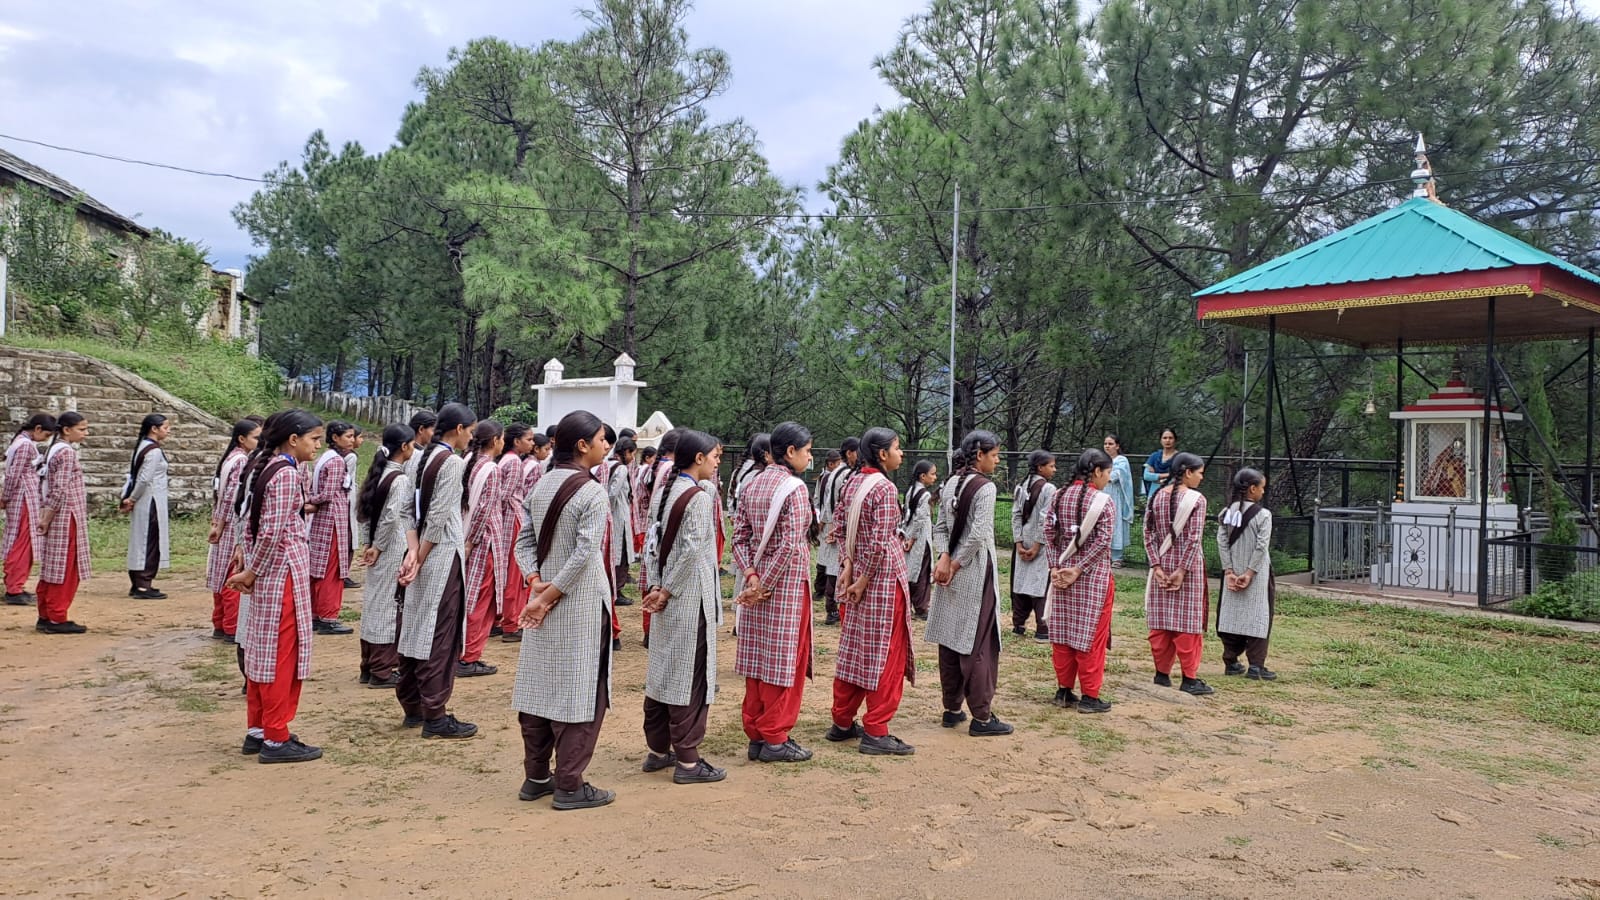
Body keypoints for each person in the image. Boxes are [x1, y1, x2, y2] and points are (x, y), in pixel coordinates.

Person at [512, 410, 616, 810]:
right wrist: (548, 594)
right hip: (581, 602)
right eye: (602, 439)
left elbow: (523, 541)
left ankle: (536, 775)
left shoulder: (540, 484)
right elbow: (584, 553)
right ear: (583, 445)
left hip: (546, 598)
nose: (607, 446)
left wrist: (536, 583)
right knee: (581, 689)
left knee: (539, 687)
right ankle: (570, 784)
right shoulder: (591, 491)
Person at [227, 409, 325, 764]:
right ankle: (276, 736)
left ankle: (259, 729)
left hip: (269, 571)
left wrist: (250, 563)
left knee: (263, 652)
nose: (318, 446)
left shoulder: (262, 464)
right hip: (280, 572)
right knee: (281, 654)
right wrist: (252, 570)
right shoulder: (284, 474)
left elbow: (247, 519)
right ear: (293, 439)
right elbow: (272, 531)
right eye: (314, 439)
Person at [640, 429, 727, 784]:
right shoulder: (700, 497)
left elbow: (650, 543)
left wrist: (657, 584)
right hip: (689, 596)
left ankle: (659, 749)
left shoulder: (664, 490)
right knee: (692, 675)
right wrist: (669, 590)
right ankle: (688, 760)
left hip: (665, 591)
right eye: (715, 455)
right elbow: (691, 551)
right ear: (699, 458)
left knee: (663, 667)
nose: (718, 461)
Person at [731, 421, 817, 764]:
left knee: (758, 659)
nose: (810, 458)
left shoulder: (752, 486)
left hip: (755, 585)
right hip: (785, 587)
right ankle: (776, 736)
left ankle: (756, 733)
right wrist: (765, 584)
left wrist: (751, 576)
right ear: (791, 452)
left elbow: (739, 538)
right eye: (808, 451)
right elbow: (789, 546)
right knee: (785, 660)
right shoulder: (795, 490)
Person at [829, 427, 916, 756]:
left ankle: (842, 721)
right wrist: (863, 578)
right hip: (880, 581)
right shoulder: (884, 488)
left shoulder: (851, 481)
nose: (901, 453)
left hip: (855, 575)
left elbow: (841, 527)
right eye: (897, 448)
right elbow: (880, 542)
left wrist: (849, 566)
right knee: (887, 653)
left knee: (855, 647)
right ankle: (877, 730)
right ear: (882, 454)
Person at [395, 402, 479, 739]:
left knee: (415, 626)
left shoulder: (419, 457)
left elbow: (407, 511)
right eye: (470, 431)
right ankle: (435, 714)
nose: (470, 438)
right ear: (458, 429)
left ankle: (413, 704)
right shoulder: (453, 462)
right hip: (441, 557)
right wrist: (422, 555)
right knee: (441, 633)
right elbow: (441, 517)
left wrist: (413, 552)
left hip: (420, 554)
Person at [926, 429, 1012, 737]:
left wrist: (944, 558)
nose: (998, 460)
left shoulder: (950, 483)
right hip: (974, 571)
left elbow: (939, 527)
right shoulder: (986, 488)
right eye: (994, 455)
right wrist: (958, 562)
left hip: (949, 569)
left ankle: (952, 709)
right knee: (979, 642)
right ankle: (982, 717)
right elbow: (978, 534)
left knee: (950, 637)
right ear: (979, 455)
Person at [1044, 448, 1117, 714]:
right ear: (1097, 471)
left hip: (1061, 576)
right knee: (1091, 636)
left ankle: (1063, 690)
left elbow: (1048, 533)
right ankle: (1090, 696)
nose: (1108, 478)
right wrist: (1080, 568)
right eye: (1107, 472)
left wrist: (1055, 566)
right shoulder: (1104, 501)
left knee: (1062, 632)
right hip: (1092, 579)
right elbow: (1103, 541)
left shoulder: (1058, 495)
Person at [1144, 451, 1214, 696]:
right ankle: (1189, 678)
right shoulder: (1197, 500)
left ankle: (1161, 674)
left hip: (1162, 568)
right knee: (1188, 624)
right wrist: (1183, 570)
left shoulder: (1156, 497)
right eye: (1199, 473)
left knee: (1161, 624)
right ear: (1187, 472)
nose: (1201, 478)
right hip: (1188, 570)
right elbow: (1194, 540)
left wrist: (1157, 566)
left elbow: (1148, 535)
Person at [357, 424, 420, 689]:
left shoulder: (379, 472)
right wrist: (379, 546)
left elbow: (364, 511)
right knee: (388, 605)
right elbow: (391, 517)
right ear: (404, 446)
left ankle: (368, 665)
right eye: (413, 444)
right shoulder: (401, 479)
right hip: (391, 547)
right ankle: (382, 669)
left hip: (377, 546)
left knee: (374, 602)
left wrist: (367, 544)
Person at [34, 412, 91, 634]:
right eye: (82, 429)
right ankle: (57, 616)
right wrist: (47, 518)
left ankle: (46, 614)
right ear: (67, 430)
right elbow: (59, 488)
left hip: (57, 514)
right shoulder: (66, 453)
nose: (85, 433)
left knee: (53, 565)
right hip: (66, 516)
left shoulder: (53, 449)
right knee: (65, 567)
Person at [1217, 468, 1276, 680]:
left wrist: (1230, 570)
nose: (1262, 492)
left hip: (1231, 574)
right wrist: (1250, 573)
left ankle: (1231, 661)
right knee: (1259, 615)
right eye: (1262, 487)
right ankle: (1256, 666)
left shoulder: (1226, 513)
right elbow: (1261, 546)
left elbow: (1222, 542)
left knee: (1231, 615)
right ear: (1252, 489)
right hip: (1256, 575)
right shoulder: (1263, 515)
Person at [459, 421, 507, 677]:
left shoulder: (468, 460)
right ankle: (468, 656)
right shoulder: (491, 469)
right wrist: (471, 540)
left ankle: (463, 652)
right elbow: (484, 509)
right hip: (484, 542)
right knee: (480, 599)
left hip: (470, 538)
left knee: (471, 596)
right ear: (495, 440)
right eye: (501, 439)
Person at [207, 419, 262, 641]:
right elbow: (231, 497)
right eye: (256, 437)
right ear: (242, 438)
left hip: (224, 522)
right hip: (233, 525)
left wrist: (217, 522)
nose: (260, 442)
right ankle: (231, 627)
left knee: (221, 575)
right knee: (233, 575)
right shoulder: (242, 460)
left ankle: (220, 624)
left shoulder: (230, 457)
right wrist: (221, 524)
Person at [305, 421, 356, 635]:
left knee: (320, 566)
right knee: (332, 570)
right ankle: (328, 616)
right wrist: (311, 501)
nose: (352, 440)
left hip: (322, 519)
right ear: (335, 438)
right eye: (348, 436)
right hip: (333, 520)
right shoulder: (336, 461)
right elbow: (328, 493)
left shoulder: (324, 458)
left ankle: (317, 614)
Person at [4, 414, 56, 605]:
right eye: (47, 435)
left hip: (22, 498)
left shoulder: (20, 442)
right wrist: (5, 497)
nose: (47, 439)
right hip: (23, 499)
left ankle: (15, 585)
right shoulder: (25, 446)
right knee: (22, 543)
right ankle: (14, 588)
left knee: (20, 541)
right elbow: (13, 475)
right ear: (38, 429)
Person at [122, 413, 172, 599]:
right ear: (154, 429)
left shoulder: (143, 446)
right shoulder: (154, 450)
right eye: (165, 428)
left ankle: (138, 582)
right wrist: (132, 498)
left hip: (145, 499)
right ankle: (143, 583)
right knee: (150, 541)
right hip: (150, 500)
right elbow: (144, 479)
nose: (168, 431)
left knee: (141, 540)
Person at [1010, 450, 1057, 641]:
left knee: (1020, 583)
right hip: (1040, 543)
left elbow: (1016, 515)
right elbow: (1045, 519)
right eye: (1051, 466)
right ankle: (1042, 628)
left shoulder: (1020, 486)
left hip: (1023, 541)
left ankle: (1018, 625)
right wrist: (1037, 546)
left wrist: (1019, 543)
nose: (1054, 469)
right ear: (1040, 467)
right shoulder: (1049, 489)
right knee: (1040, 585)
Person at [498, 424, 535, 640]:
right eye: (528, 439)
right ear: (516, 441)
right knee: (515, 574)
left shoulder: (507, 460)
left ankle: (505, 618)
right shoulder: (514, 462)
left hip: (507, 521)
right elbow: (504, 496)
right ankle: (511, 624)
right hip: (512, 520)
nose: (532, 443)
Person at [817, 439, 859, 626]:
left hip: (832, 525)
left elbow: (826, 504)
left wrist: (826, 523)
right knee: (837, 568)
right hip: (841, 527)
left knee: (832, 568)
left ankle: (832, 608)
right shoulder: (847, 474)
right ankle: (833, 608)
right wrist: (837, 526)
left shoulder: (834, 473)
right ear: (849, 453)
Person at [901, 460, 937, 619]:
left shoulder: (910, 491)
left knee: (911, 570)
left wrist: (908, 536)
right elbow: (920, 519)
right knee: (922, 572)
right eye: (932, 474)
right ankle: (922, 608)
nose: (935, 477)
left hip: (909, 535)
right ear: (923, 476)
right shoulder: (925, 494)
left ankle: (909, 603)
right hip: (921, 540)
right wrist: (913, 538)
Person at [607, 437, 637, 605]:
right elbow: (612, 493)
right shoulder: (621, 469)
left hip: (615, 516)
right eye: (632, 453)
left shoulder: (607, 464)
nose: (633, 457)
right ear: (626, 452)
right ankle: (616, 589)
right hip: (618, 517)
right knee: (620, 554)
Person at [1102, 434, 1135, 568]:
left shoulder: (1121, 460)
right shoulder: (1101, 459)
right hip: (1102, 492)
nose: (1107, 446)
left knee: (1115, 522)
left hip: (1115, 494)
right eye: (1105, 444)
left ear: (1117, 446)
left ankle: (1117, 557)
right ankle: (1103, 554)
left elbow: (1115, 476)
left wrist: (1104, 474)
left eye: (1110, 444)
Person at [343, 427, 364, 589]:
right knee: (349, 539)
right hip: (347, 501)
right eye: (359, 437)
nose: (360, 440)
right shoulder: (351, 457)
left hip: (346, 500)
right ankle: (344, 573)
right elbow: (346, 481)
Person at [1143, 428, 1179, 500]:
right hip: (1154, 493)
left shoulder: (1179, 457)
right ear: (1160, 440)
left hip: (1172, 494)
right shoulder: (1154, 456)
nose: (1167, 440)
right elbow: (1146, 476)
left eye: (1170, 438)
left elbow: (1178, 476)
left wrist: (1156, 477)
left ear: (1175, 440)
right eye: (1165, 438)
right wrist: (1168, 475)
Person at [403, 410, 437, 480]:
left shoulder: (402, 449)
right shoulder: (418, 455)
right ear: (421, 429)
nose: (435, 435)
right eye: (433, 430)